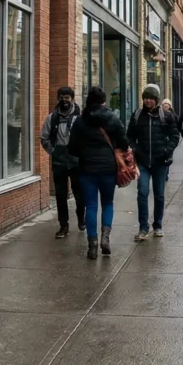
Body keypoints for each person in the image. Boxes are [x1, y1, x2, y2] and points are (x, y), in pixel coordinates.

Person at [67, 86, 131, 259]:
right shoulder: (112, 118)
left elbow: (72, 148)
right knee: (108, 203)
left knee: (91, 206)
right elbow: (124, 143)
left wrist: (84, 152)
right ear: (104, 102)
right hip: (109, 169)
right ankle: (105, 238)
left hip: (87, 169)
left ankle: (92, 244)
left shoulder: (80, 121)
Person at [127, 85, 177, 241]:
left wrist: (165, 151)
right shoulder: (137, 115)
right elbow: (129, 137)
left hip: (160, 163)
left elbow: (175, 137)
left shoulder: (166, 116)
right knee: (142, 193)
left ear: (156, 100)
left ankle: (158, 225)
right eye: (145, 98)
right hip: (142, 162)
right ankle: (143, 228)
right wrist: (135, 150)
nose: (147, 101)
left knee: (159, 194)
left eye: (150, 98)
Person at [40, 86, 85, 238]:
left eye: (67, 97)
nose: (64, 100)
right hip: (59, 161)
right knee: (60, 195)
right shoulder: (52, 117)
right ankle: (63, 225)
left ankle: (81, 218)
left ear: (72, 99)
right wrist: (53, 151)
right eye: (61, 97)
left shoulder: (80, 117)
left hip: (76, 161)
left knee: (79, 193)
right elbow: (44, 137)